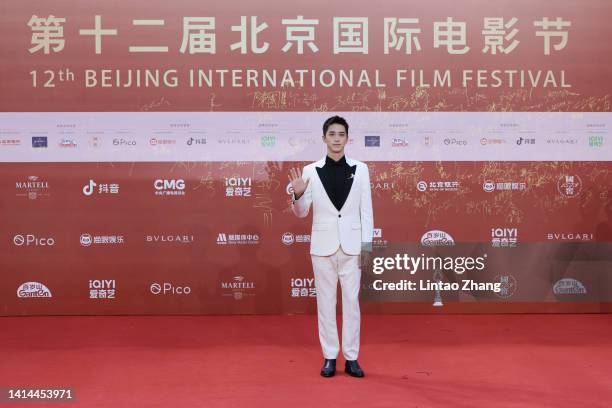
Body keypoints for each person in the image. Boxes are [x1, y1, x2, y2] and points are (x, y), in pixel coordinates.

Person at [288, 115, 373, 378]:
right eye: (332, 134)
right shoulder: (310, 171)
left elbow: (366, 211)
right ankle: (329, 357)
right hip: (322, 247)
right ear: (324, 138)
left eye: (341, 134)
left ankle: (352, 358)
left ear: (347, 138)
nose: (336, 138)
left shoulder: (361, 169)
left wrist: (367, 246)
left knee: (351, 304)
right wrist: (299, 194)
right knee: (325, 303)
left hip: (352, 247)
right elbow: (301, 213)